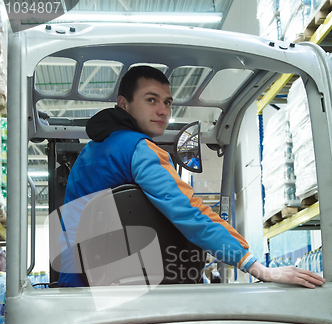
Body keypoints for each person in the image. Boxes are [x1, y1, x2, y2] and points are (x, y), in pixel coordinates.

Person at [58, 65, 325, 289]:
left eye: (167, 102)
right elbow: (187, 210)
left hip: (77, 284)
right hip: (115, 290)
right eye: (151, 100)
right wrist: (254, 265)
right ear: (124, 104)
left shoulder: (89, 154)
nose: (163, 110)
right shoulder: (138, 148)